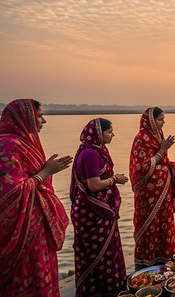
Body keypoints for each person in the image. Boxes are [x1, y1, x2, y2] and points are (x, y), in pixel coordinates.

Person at [0, 99, 72, 296]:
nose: (43, 121)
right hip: (19, 231)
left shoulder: (23, 144)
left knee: (40, 275)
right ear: (24, 118)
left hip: (35, 227)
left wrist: (44, 172)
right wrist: (45, 172)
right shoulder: (5, 147)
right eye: (39, 116)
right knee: (27, 279)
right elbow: (12, 193)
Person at [70, 118, 129, 296]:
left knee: (107, 250)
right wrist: (115, 179)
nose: (113, 134)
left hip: (101, 210)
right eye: (110, 132)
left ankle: (110, 286)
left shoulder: (98, 151)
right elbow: (94, 185)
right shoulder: (90, 154)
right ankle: (101, 289)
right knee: (96, 253)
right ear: (98, 133)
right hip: (91, 212)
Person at [130, 107, 175, 265]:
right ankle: (145, 259)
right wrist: (162, 150)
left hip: (163, 191)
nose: (163, 122)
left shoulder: (158, 135)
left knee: (163, 222)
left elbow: (162, 162)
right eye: (160, 119)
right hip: (148, 193)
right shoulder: (141, 139)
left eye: (163, 119)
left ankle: (163, 256)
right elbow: (141, 168)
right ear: (151, 121)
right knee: (149, 225)